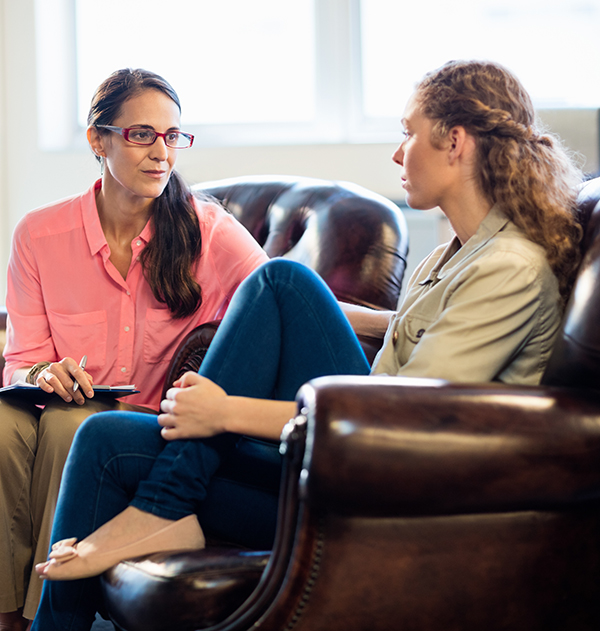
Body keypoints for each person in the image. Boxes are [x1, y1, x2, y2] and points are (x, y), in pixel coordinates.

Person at [32, 60, 583, 631]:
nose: (398, 154)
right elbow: (407, 344)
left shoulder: (509, 269)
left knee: (282, 280)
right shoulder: (452, 258)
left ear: (455, 142)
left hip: (388, 501)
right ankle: (122, 554)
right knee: (104, 435)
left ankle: (164, 506)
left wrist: (225, 412)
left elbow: (397, 420)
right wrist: (315, 317)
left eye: (408, 133)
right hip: (337, 467)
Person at [0, 68, 268, 631]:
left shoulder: (207, 232)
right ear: (99, 140)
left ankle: (41, 613)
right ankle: (5, 612)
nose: (161, 152)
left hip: (144, 428)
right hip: (58, 408)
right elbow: (22, 359)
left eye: (172, 136)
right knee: (3, 423)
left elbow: (281, 300)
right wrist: (44, 372)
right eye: (141, 134)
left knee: (71, 429)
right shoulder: (38, 235)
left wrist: (392, 320)